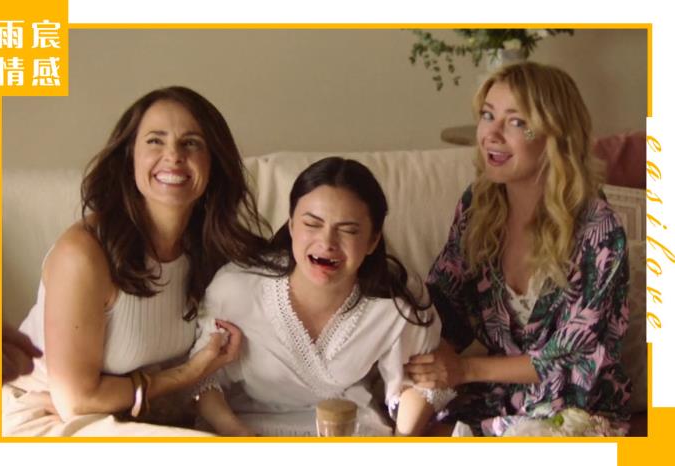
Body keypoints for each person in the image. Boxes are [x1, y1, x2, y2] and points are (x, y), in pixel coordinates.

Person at [2, 86, 273, 437]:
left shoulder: (209, 248)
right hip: (45, 412)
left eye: (191, 143)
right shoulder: (83, 254)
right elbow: (76, 401)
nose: (173, 156)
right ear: (130, 158)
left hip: (138, 413)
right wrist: (188, 373)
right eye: (155, 141)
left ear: (213, 163)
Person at [406, 62, 631, 436]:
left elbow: (575, 357)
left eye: (516, 122)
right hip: (495, 402)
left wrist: (465, 370)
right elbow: (446, 301)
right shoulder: (477, 207)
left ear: (554, 135)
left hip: (575, 409)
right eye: (487, 115)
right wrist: (423, 352)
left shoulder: (598, 230)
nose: (491, 134)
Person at [190, 157, 456, 437]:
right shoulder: (236, 287)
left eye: (348, 230)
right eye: (312, 224)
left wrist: (401, 444)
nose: (327, 243)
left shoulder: (396, 298)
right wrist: (238, 435)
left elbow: (418, 383)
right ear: (292, 226)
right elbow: (204, 379)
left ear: (373, 240)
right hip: (246, 430)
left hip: (352, 432)